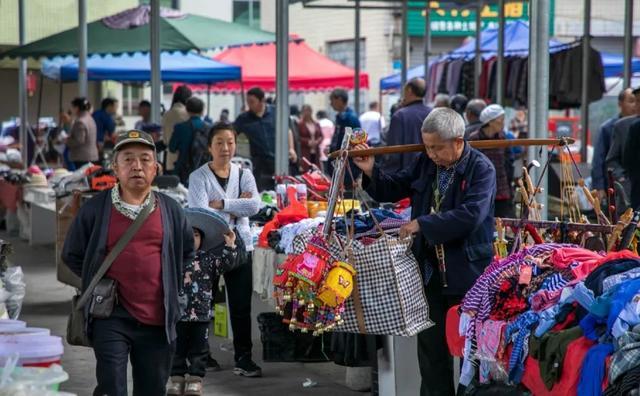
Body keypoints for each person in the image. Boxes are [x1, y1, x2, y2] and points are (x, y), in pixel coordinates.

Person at [353, 108, 496, 396]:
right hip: (429, 273)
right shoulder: (426, 163)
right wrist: (370, 170)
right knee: (431, 354)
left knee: (472, 353)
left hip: (467, 274)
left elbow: (470, 215)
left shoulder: (481, 169)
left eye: (437, 147)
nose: (431, 153)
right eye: (427, 146)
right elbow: (395, 186)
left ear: (458, 141)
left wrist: (423, 223)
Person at [62, 130, 194, 396]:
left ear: (155, 168)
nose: (137, 166)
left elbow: (186, 253)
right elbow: (72, 254)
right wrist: (100, 283)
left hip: (158, 317)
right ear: (115, 167)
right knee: (112, 386)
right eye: (128, 159)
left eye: (145, 159)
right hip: (110, 316)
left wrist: (170, 285)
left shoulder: (172, 210)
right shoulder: (95, 209)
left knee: (153, 388)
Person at [187, 122, 262, 378]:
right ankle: (202, 354)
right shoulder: (198, 177)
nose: (225, 147)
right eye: (219, 142)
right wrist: (236, 207)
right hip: (209, 247)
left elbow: (255, 206)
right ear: (210, 146)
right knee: (204, 303)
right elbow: (198, 211)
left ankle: (244, 358)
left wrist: (222, 203)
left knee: (240, 306)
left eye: (230, 142)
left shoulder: (244, 173)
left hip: (240, 246)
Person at [167, 209, 240, 396]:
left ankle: (195, 379)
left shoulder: (208, 259)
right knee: (177, 347)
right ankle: (176, 379)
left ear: (202, 239)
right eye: (188, 234)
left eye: (196, 234)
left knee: (199, 348)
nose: (192, 238)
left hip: (201, 314)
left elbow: (228, 263)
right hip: (178, 315)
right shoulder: (173, 260)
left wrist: (230, 245)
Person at [469, 104, 514, 218]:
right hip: (482, 188)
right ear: (490, 122)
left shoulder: (503, 137)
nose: (503, 124)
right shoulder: (474, 139)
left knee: (503, 223)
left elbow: (509, 162)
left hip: (502, 188)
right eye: (501, 121)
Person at [592, 88, 635, 197]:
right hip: (615, 185)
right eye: (631, 101)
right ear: (620, 104)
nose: (635, 105)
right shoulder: (608, 128)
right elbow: (599, 159)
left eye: (638, 101)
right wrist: (599, 187)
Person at [383, 78, 432, 174]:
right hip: (430, 172)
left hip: (407, 175)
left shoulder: (400, 115)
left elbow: (394, 152)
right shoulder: (433, 113)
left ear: (409, 90)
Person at [234, 87, 276, 191]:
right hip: (259, 163)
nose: (249, 105)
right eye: (248, 102)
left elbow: (287, 130)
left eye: (252, 102)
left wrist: (292, 149)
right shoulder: (243, 118)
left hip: (278, 160)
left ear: (262, 100)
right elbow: (232, 133)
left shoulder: (276, 112)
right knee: (261, 192)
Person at [607, 86, 640, 201]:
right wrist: (622, 179)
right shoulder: (625, 126)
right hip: (631, 191)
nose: (636, 105)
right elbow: (614, 160)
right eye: (636, 101)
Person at [169, 97, 208, 186]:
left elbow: (172, 148)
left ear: (187, 110)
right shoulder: (208, 128)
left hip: (183, 171)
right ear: (202, 111)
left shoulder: (179, 127)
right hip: (203, 170)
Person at [328, 88, 361, 186]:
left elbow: (357, 140)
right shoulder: (341, 117)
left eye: (332, 100)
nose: (331, 104)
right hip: (339, 162)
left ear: (339, 100)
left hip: (347, 164)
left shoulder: (350, 118)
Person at [163, 85, 192, 173]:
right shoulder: (188, 114)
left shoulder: (166, 114)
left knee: (170, 186)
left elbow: (165, 140)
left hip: (169, 159)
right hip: (184, 159)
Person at [67, 97, 99, 169]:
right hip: (92, 155)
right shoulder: (90, 119)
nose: (71, 110)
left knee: (83, 178)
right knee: (88, 178)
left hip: (82, 156)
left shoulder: (80, 121)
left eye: (72, 107)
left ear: (77, 108)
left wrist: (66, 141)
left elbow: (79, 140)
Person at [298, 105, 322, 172]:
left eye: (309, 110)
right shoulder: (300, 124)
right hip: (305, 151)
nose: (307, 113)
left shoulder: (316, 123)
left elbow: (321, 135)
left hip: (316, 151)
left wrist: (317, 141)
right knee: (306, 170)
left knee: (316, 171)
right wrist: (307, 142)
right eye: (305, 111)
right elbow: (298, 138)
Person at [316, 110, 335, 174]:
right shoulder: (330, 123)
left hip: (321, 143)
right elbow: (333, 134)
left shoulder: (318, 123)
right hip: (329, 142)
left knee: (322, 162)